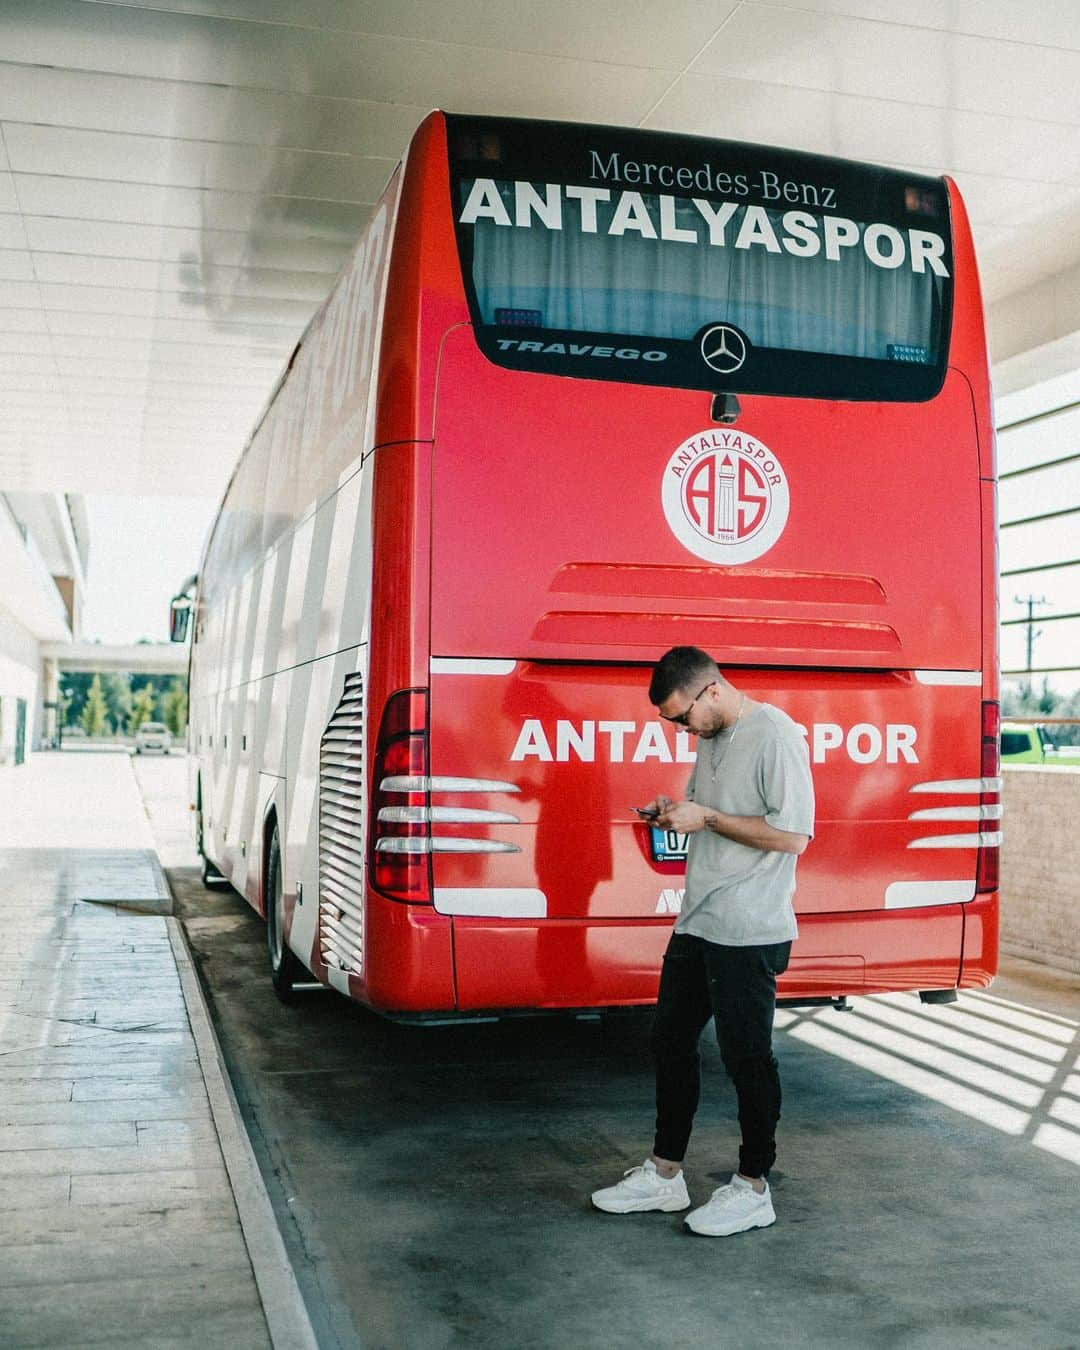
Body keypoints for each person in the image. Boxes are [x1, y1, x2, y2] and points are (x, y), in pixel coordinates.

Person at [591, 646, 814, 1237]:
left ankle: (753, 1187)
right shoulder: (713, 738)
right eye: (672, 723)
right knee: (669, 1041)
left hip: (749, 926)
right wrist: (675, 811)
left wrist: (708, 820)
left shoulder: (776, 735)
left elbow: (793, 837)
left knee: (746, 1058)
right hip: (699, 919)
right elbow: (716, 815)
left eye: (681, 717)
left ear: (710, 690)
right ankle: (665, 1177)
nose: (680, 729)